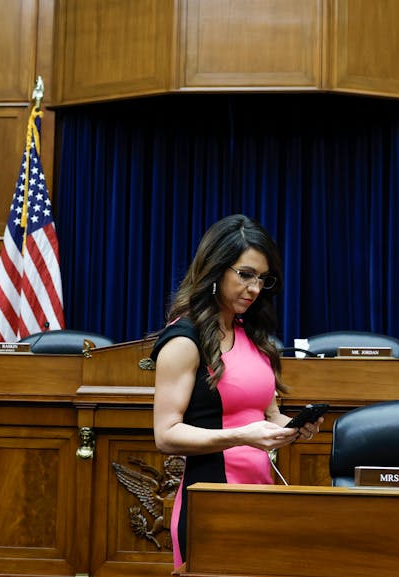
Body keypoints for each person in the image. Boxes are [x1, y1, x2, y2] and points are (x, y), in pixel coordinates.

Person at [152, 214, 322, 568]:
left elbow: (269, 415)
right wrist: (242, 436)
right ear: (216, 270)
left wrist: (294, 427)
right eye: (245, 275)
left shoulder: (252, 335)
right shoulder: (184, 340)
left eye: (262, 279)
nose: (255, 288)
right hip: (211, 499)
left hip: (260, 497)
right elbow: (165, 435)